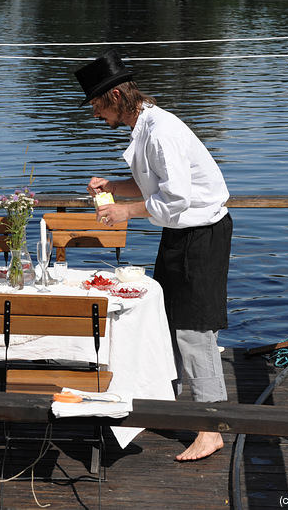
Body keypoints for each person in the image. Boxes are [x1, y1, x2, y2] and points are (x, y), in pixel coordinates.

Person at [75, 50, 233, 461]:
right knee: (170, 318)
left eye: (95, 105)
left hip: (201, 234)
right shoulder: (145, 124)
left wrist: (125, 210)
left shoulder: (161, 129)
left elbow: (176, 197)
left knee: (195, 328)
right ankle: (179, 405)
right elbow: (153, 183)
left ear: (113, 97)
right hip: (182, 235)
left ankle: (212, 427)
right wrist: (114, 185)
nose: (94, 114)